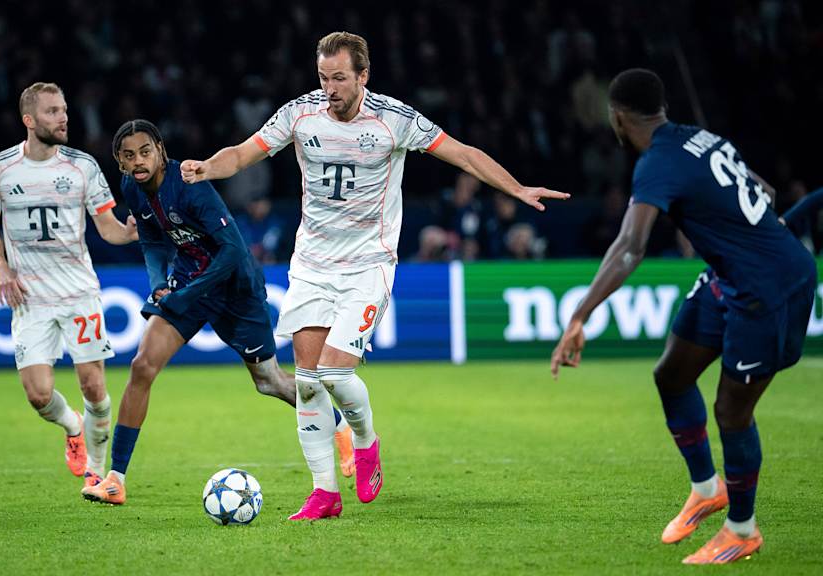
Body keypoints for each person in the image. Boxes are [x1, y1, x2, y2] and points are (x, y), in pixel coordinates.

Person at [182, 31, 568, 520]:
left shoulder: (394, 120)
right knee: (306, 382)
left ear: (363, 75)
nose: (330, 88)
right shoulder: (300, 113)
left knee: (335, 373)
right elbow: (243, 152)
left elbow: (464, 154)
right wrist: (206, 168)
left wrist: (516, 187)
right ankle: (324, 494)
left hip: (368, 264)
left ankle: (365, 439)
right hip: (313, 265)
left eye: (340, 78)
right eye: (323, 77)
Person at [550, 69, 817, 564]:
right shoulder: (700, 137)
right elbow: (767, 192)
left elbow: (631, 247)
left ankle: (741, 530)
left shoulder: (656, 164)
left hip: (769, 288)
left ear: (617, 118)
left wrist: (579, 316)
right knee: (672, 374)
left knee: (732, 412)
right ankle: (706, 487)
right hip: (733, 276)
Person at [81, 119, 354, 505]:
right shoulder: (132, 187)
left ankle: (339, 425)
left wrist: (187, 293)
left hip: (235, 288)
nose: (138, 161)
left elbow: (233, 251)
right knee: (142, 366)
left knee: (269, 382)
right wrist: (159, 282)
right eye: (128, 156)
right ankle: (115, 479)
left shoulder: (191, 188)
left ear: (160, 150)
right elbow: (154, 240)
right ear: (120, 163)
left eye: (145, 151)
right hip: (190, 280)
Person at [0, 82, 139, 493]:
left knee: (93, 385)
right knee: (37, 394)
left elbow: (108, 229)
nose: (63, 117)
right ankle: (72, 426)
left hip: (78, 292)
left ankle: (98, 473)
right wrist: (0, 267)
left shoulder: (82, 167)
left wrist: (130, 233)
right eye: (52, 111)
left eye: (64, 109)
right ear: (29, 121)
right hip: (29, 297)